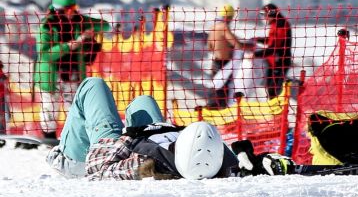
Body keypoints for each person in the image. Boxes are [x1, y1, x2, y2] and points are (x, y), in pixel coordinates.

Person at [45, 76, 238, 180]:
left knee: (92, 85)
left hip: (99, 155)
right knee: (144, 102)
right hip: (145, 141)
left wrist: (126, 137)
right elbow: (236, 163)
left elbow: (100, 170)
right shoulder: (219, 160)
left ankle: (67, 158)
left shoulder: (146, 162)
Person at [33, 0, 111, 140]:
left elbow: (105, 25)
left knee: (74, 107)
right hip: (50, 75)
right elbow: (45, 54)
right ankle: (49, 138)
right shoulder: (46, 26)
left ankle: (74, 138)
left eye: (74, 8)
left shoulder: (80, 20)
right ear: (59, 10)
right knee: (49, 108)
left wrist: (92, 31)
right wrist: (71, 45)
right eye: (69, 9)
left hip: (73, 71)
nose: (72, 12)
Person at [207, 4, 253, 108]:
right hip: (224, 63)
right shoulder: (224, 27)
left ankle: (212, 109)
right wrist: (251, 46)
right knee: (222, 91)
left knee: (216, 88)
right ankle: (219, 112)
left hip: (215, 62)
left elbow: (210, 47)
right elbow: (237, 44)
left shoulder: (213, 27)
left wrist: (222, 47)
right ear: (228, 17)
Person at [254, 4, 292, 99]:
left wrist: (255, 55)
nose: (264, 18)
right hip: (273, 61)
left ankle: (277, 112)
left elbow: (274, 48)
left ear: (271, 14)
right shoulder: (275, 23)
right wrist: (257, 39)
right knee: (270, 87)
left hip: (280, 62)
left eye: (264, 14)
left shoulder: (280, 25)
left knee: (273, 90)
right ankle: (273, 109)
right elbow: (272, 40)